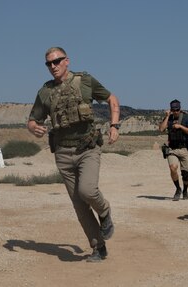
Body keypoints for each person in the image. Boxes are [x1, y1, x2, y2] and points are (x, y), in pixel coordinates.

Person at [27, 47, 120, 262]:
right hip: (62, 153)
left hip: (87, 148)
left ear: (67, 61)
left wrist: (114, 125)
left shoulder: (84, 81)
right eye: (49, 63)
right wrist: (33, 128)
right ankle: (98, 247)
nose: (53, 66)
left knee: (87, 191)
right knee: (79, 205)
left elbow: (111, 98)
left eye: (57, 61)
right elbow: (33, 120)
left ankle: (105, 211)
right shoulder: (45, 92)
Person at [159, 99, 188, 201]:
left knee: (185, 174)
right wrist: (166, 116)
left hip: (185, 149)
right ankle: (178, 189)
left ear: (180, 109)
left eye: (177, 110)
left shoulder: (187, 118)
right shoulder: (169, 118)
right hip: (172, 149)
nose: (175, 112)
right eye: (173, 110)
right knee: (173, 168)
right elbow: (161, 129)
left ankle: (185, 190)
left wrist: (181, 126)